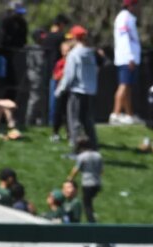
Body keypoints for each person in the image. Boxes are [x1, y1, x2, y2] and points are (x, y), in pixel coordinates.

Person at [55, 25, 99, 154]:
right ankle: (93, 147)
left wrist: (60, 89)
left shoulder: (74, 54)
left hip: (77, 91)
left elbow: (69, 75)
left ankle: (77, 151)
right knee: (87, 121)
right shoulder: (90, 53)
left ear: (74, 38)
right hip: (89, 91)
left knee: (74, 121)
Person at [110, 0, 142, 125]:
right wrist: (130, 57)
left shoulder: (129, 18)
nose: (137, 7)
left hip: (130, 58)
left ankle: (129, 114)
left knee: (128, 86)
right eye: (135, 5)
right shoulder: (124, 18)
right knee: (123, 85)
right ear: (129, 5)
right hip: (126, 58)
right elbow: (124, 38)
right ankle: (115, 114)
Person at [0, 1, 27, 100]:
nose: (19, 15)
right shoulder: (3, 20)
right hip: (1, 56)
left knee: (12, 83)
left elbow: (22, 40)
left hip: (15, 57)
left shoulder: (21, 23)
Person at [42, 14, 70, 126]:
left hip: (47, 69)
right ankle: (54, 120)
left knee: (49, 97)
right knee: (56, 98)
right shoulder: (60, 37)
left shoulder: (46, 37)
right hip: (58, 70)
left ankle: (49, 119)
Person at [67, 137, 103, 223]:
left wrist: (70, 178)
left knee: (86, 204)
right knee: (90, 201)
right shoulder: (98, 155)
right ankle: (93, 216)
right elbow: (101, 170)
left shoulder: (81, 156)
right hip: (97, 182)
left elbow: (76, 169)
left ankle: (91, 222)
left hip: (87, 183)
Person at [50, 40, 75, 142]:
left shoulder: (73, 62)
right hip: (61, 89)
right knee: (58, 112)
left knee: (69, 113)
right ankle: (55, 132)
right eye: (64, 51)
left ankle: (70, 133)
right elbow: (55, 76)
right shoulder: (60, 63)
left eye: (68, 50)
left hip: (71, 90)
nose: (66, 53)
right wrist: (61, 74)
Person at [24, 28, 48, 126]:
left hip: (37, 75)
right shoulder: (37, 49)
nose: (43, 39)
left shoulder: (38, 48)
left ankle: (40, 121)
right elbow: (40, 63)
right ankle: (28, 121)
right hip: (36, 76)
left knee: (41, 99)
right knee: (34, 99)